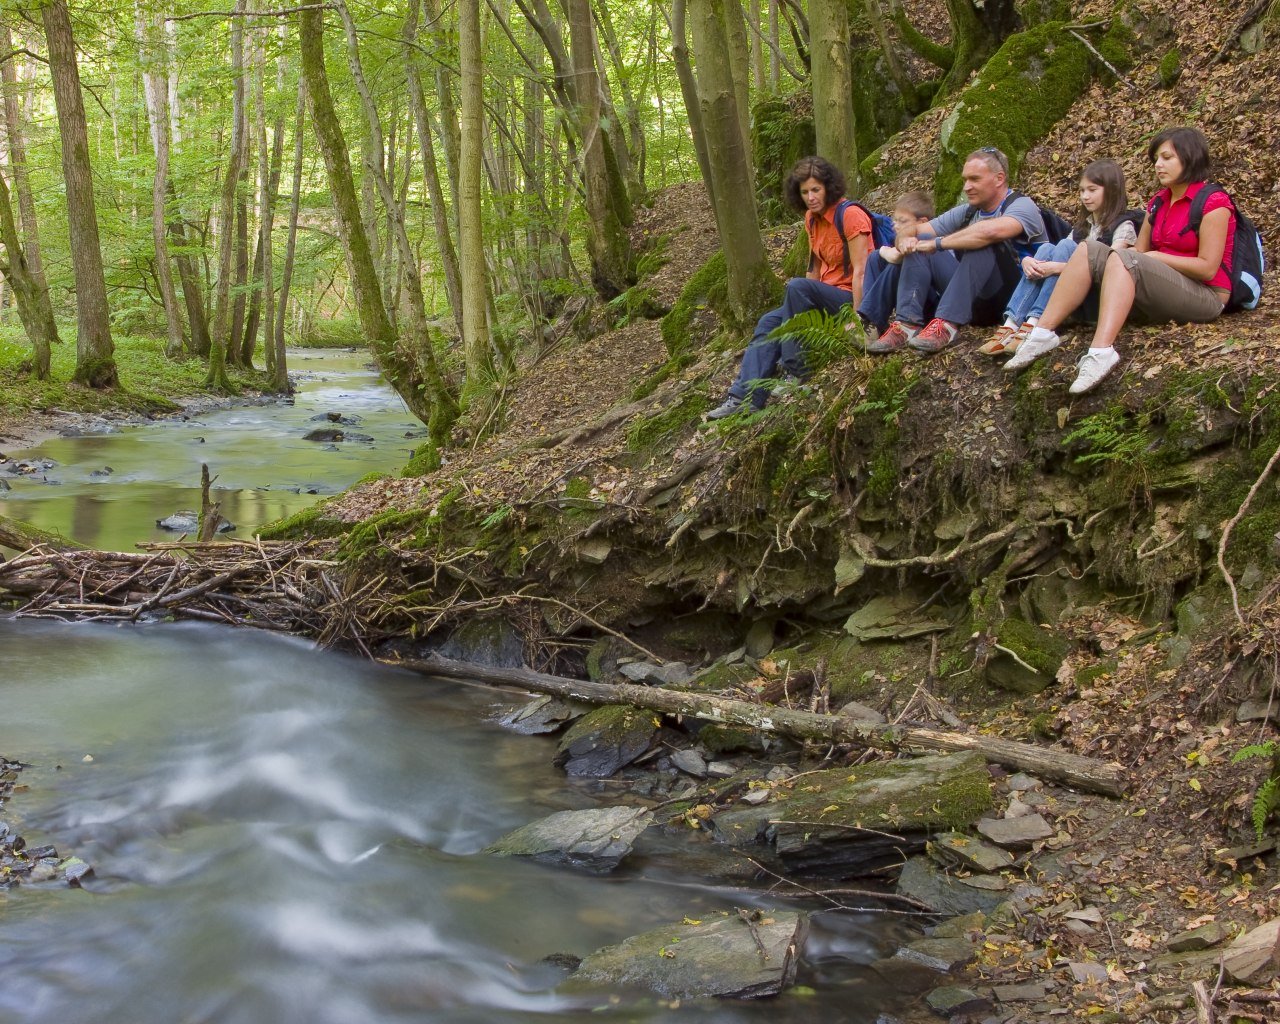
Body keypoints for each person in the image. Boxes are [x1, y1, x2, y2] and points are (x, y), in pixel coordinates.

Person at [1005, 127, 1235, 394]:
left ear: (1190, 158)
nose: (1158, 165)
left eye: (1166, 158)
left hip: (1206, 296)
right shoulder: (1158, 203)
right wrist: (1146, 256)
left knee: (1126, 259)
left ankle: (1101, 351)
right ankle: (1042, 333)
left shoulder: (1214, 203)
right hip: (1164, 287)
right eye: (1156, 159)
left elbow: (1208, 268)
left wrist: (1157, 257)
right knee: (1088, 248)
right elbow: (1139, 251)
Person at [706, 157, 871, 420]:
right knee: (769, 321)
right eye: (805, 192)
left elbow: (862, 271)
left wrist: (859, 319)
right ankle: (744, 397)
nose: (811, 197)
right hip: (823, 294)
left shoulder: (851, 215)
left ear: (829, 187)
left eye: (816, 190)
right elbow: (814, 270)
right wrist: (800, 308)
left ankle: (796, 370)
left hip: (852, 297)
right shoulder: (811, 219)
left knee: (796, 288)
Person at [866, 147, 1046, 354]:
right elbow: (917, 229)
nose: (967, 187)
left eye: (974, 179)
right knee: (921, 239)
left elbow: (990, 231)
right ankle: (907, 325)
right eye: (965, 180)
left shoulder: (1022, 205)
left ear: (999, 178)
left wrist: (938, 243)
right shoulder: (969, 211)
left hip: (1013, 298)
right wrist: (904, 239)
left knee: (983, 241)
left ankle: (947, 325)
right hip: (972, 299)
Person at [979, 159, 1139, 357]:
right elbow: (1059, 256)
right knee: (1047, 248)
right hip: (1070, 293)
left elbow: (1112, 267)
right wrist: (1029, 261)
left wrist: (1055, 268)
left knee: (1064, 246)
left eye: (1092, 190)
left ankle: (1035, 321)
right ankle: (1013, 324)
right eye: (1081, 191)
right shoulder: (1083, 227)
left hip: (1095, 297)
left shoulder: (1123, 226)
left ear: (1111, 190)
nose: (1085, 197)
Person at [856, 191, 958, 353]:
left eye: (902, 221)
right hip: (914, 297)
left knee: (894, 256)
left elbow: (900, 257)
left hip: (934, 303)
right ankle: (872, 325)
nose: (895, 225)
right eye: (894, 220)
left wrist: (883, 250)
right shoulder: (905, 241)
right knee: (876, 258)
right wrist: (882, 252)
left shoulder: (932, 241)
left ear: (922, 222)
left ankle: (872, 320)